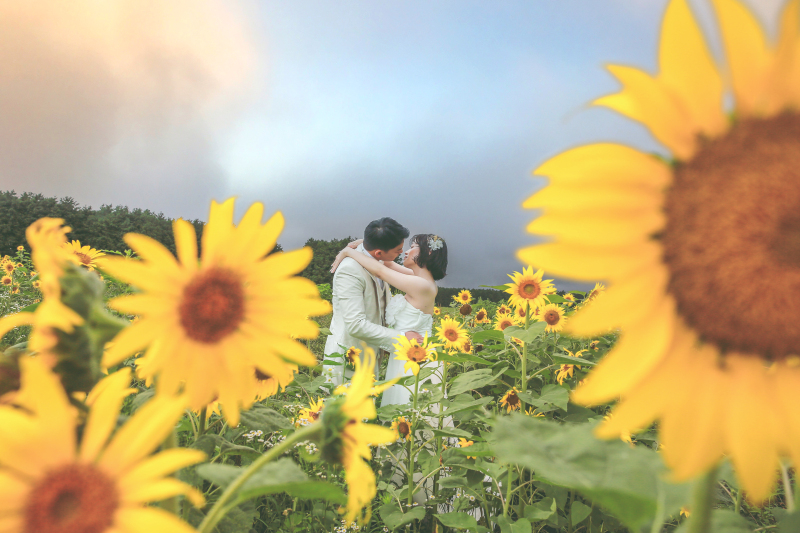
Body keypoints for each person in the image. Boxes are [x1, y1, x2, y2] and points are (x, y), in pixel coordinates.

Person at [330, 233, 448, 406]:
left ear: (428, 253)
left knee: (410, 411)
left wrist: (347, 252)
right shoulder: (419, 278)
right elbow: (387, 262)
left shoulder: (421, 285)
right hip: (406, 353)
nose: (406, 251)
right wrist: (368, 243)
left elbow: (381, 270)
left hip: (414, 358)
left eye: (413, 247)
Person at [322, 217, 423, 387]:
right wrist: (402, 338)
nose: (401, 253)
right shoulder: (349, 270)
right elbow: (355, 324)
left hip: (370, 356)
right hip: (348, 360)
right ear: (378, 253)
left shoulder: (379, 261)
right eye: (398, 250)